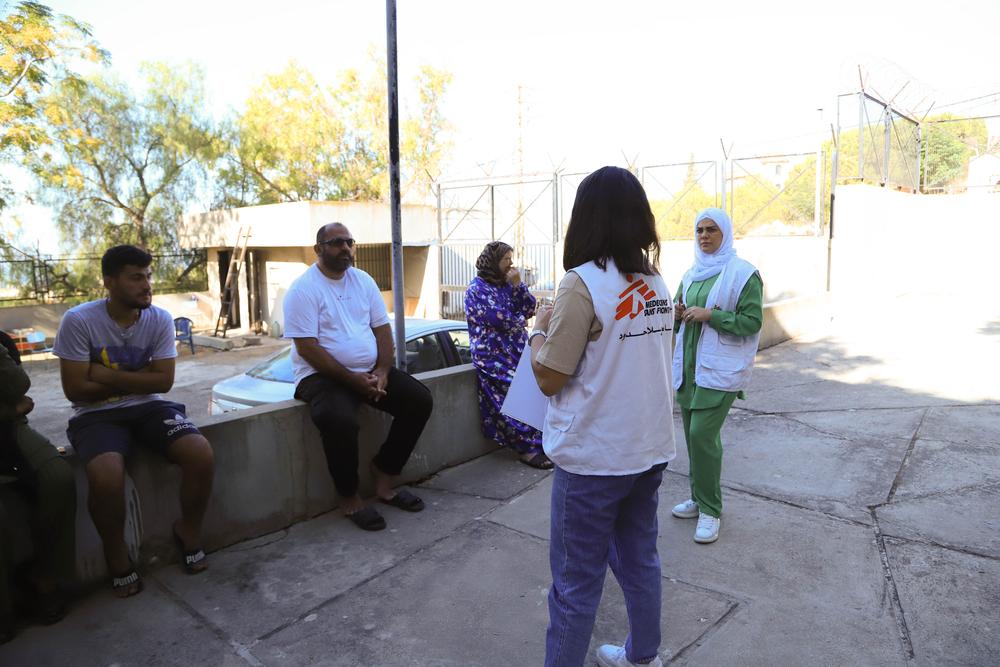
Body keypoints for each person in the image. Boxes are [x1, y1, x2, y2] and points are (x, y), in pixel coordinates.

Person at [529, 166, 676, 667]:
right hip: (647, 450)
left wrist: (536, 333)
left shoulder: (582, 284)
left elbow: (549, 377)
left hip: (593, 460)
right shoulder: (655, 283)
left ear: (584, 218)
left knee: (574, 584)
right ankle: (643, 657)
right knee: (640, 561)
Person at [53, 245, 215, 598]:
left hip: (150, 408)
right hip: (95, 416)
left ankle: (188, 530)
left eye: (148, 277)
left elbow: (163, 382)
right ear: (110, 282)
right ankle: (115, 552)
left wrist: (105, 374)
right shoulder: (79, 321)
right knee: (107, 474)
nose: (147, 286)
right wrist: (137, 375)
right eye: (136, 277)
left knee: (200, 452)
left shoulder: (157, 318)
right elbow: (75, 389)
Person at [284, 222, 433, 532]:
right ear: (319, 249)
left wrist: (381, 371)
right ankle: (349, 496)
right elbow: (308, 348)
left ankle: (383, 473)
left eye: (350, 242)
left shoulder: (362, 281)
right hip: (319, 376)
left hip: (368, 372)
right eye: (337, 242)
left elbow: (382, 331)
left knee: (419, 400)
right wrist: (351, 380)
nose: (346, 249)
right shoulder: (303, 289)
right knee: (338, 419)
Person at [670, 208, 763, 545]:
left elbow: (752, 322)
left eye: (712, 230)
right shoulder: (692, 273)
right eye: (699, 230)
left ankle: (711, 509)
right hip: (690, 371)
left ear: (725, 234)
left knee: (702, 436)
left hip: (720, 370)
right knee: (695, 440)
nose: (705, 236)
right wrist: (679, 314)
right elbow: (678, 314)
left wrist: (712, 315)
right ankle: (698, 497)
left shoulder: (743, 274)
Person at [0, 331, 76, 643]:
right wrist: (11, 409)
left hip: (7, 431)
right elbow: (17, 402)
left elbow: (18, 387)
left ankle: (44, 575)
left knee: (57, 477)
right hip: (7, 417)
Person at [464, 241, 550, 469]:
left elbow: (530, 307)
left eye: (511, 259)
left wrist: (519, 286)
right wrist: (526, 321)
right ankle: (527, 449)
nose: (511, 264)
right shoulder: (477, 289)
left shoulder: (507, 284)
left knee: (532, 392)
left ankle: (538, 442)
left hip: (515, 352)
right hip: (493, 357)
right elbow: (502, 320)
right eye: (506, 259)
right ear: (494, 262)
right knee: (513, 396)